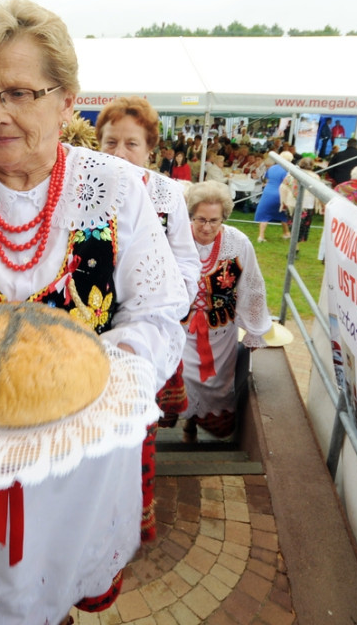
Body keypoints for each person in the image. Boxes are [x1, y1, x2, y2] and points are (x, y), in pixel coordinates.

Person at [0, 0, 188, 624]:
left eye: (20, 92)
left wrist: (107, 372)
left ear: (66, 98)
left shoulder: (115, 191)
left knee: (59, 584)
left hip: (81, 454)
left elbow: (157, 312)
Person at [95, 95, 200, 541]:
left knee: (131, 424)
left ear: (150, 149)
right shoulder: (81, 186)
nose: (119, 153)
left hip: (140, 332)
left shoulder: (167, 193)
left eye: (131, 144)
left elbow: (186, 261)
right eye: (110, 141)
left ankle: (121, 519)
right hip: (92, 328)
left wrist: (167, 309)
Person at [180, 182, 271, 443]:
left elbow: (252, 285)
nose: (207, 227)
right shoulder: (176, 238)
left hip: (220, 332)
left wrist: (254, 331)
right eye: (200, 220)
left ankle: (196, 425)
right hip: (181, 328)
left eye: (214, 220)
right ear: (190, 216)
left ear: (224, 218)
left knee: (216, 386)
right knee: (183, 377)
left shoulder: (238, 243)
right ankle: (187, 422)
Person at [279, 157, 320, 257]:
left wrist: (283, 201)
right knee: (301, 228)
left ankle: (294, 249)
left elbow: (283, 188)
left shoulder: (292, 174)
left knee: (293, 227)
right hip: (307, 205)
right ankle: (294, 249)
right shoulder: (314, 176)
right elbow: (317, 191)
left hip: (292, 203)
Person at [254, 151, 294, 243]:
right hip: (281, 193)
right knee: (284, 213)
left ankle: (261, 236)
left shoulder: (271, 168)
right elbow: (289, 184)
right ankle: (286, 233)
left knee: (265, 214)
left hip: (268, 192)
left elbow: (267, 179)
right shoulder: (289, 170)